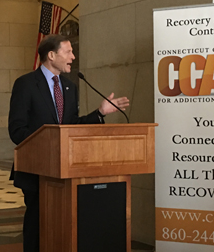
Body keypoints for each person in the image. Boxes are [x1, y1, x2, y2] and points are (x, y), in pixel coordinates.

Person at [8, 34, 130, 252]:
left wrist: (100, 112)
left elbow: (72, 126)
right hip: (37, 170)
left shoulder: (69, 87)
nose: (73, 57)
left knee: (65, 225)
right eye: (68, 52)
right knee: (38, 223)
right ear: (51, 55)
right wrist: (49, 146)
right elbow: (17, 130)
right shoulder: (26, 84)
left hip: (66, 171)